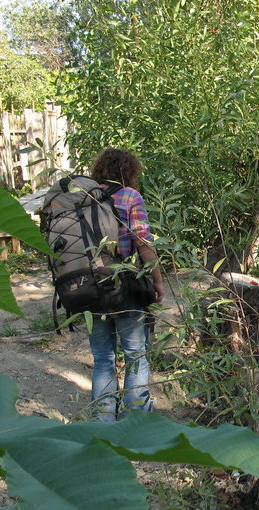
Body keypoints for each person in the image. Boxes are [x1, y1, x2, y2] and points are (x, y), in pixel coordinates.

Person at [88, 148, 165, 421]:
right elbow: (142, 241)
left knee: (102, 356)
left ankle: (103, 421)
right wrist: (157, 281)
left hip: (91, 287)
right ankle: (136, 421)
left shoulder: (85, 196)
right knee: (135, 354)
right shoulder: (130, 196)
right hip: (125, 287)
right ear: (130, 171)